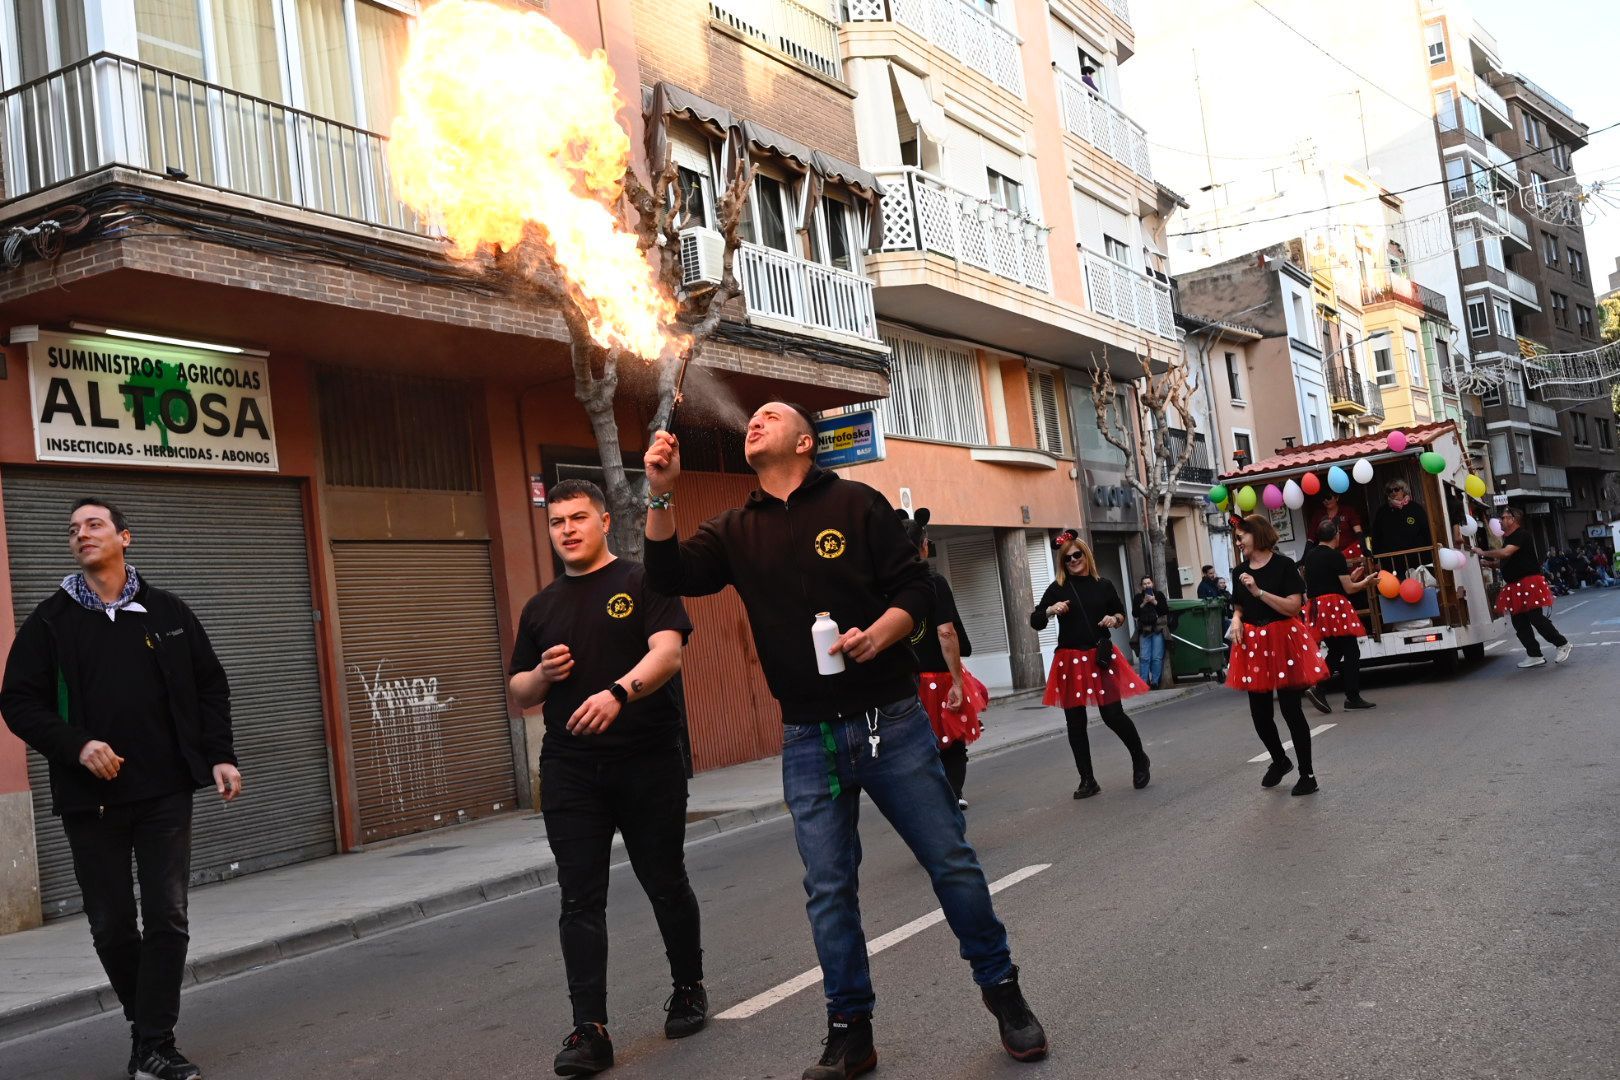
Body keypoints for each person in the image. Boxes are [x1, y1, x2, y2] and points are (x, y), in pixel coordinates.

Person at [643, 403, 1047, 1077]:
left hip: (888, 721)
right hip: (807, 737)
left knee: (949, 860)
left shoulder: (858, 503)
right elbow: (667, 577)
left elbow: (916, 587)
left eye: (771, 415)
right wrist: (661, 491)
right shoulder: (735, 527)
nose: (756, 421)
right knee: (828, 889)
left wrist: (881, 633)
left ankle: (1004, 993)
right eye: (754, 417)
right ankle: (850, 1030)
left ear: (805, 441)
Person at [0, 498, 241, 1080]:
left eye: (94, 524)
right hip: (93, 800)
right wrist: (76, 744)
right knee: (110, 923)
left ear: (124, 537)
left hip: (165, 791)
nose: (82, 534)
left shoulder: (167, 611)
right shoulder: (51, 622)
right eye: (73, 529)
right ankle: (149, 1033)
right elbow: (17, 701)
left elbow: (210, 686)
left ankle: (154, 1043)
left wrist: (220, 755)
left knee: (167, 916)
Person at [507, 479, 704, 1076]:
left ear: (602, 522)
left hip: (647, 758)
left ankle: (688, 986)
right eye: (557, 521)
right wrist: (541, 673)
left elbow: (668, 654)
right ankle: (589, 1030)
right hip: (571, 769)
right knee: (579, 898)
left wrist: (619, 693)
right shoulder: (541, 607)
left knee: (663, 879)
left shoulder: (643, 581)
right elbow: (518, 692)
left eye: (577, 518)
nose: (566, 529)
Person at [1030, 532, 1151, 799]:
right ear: (1063, 561)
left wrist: (1113, 619)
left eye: (1077, 555)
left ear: (1086, 555)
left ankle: (1139, 758)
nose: (1073, 560)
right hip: (1069, 660)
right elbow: (1035, 620)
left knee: (1113, 715)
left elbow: (1121, 613)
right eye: (1068, 557)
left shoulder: (1103, 585)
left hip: (1099, 657)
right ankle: (1087, 780)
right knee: (1075, 722)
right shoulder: (1058, 588)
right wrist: (1050, 610)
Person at [1226, 513, 1328, 796]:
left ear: (1256, 535)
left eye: (1240, 537)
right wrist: (1236, 620)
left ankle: (1308, 775)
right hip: (1253, 644)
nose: (1238, 543)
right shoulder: (1239, 571)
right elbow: (1238, 606)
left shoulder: (1283, 565)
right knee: (1259, 713)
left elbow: (1293, 608)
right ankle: (1280, 760)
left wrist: (1259, 592)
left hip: (1283, 639)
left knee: (1290, 709)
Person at [898, 509, 987, 811]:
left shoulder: (885, 586)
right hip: (936, 676)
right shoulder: (934, 582)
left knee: (914, 745)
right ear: (922, 546)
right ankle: (952, 793)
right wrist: (959, 682)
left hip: (901, 680)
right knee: (951, 739)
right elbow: (946, 633)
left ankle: (926, 799)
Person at [1477, 506, 1571, 669]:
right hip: (1515, 586)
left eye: (1504, 517)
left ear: (1513, 519)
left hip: (1528, 582)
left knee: (1535, 618)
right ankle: (1534, 654)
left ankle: (1562, 643)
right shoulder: (1509, 538)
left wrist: (1483, 552)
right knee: (1519, 622)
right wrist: (1490, 564)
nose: (1500, 520)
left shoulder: (1521, 535)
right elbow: (1506, 561)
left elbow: (1506, 553)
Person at [1301, 518, 1377, 711]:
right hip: (1334, 607)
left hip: (1317, 607)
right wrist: (1366, 581)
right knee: (1351, 650)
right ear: (1336, 535)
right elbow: (1349, 589)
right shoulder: (1336, 557)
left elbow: (1327, 582)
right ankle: (1351, 697)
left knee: (1336, 650)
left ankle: (1319, 687)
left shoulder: (1310, 556)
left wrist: (1351, 578)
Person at [1369, 478, 1432, 575]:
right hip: (1392, 562)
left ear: (1404, 490)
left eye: (1396, 489)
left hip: (1417, 559)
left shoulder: (1415, 508)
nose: (1393, 492)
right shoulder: (1382, 511)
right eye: (1390, 491)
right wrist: (1376, 560)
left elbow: (1426, 532)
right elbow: (1376, 537)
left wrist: (1431, 554)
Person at [1131, 577, 1170, 689]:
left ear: (1152, 584)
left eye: (1148, 583)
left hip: (1157, 629)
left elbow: (1164, 611)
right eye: (1144, 584)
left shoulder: (1159, 595)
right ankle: (1143, 682)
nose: (1147, 585)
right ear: (1141, 586)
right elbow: (1135, 613)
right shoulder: (1138, 597)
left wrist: (1154, 601)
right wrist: (1143, 603)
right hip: (1144, 630)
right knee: (1144, 657)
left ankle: (1155, 682)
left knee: (1156, 657)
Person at [1308, 492, 1365, 559]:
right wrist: (1305, 557)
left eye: (1328, 497)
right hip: (1328, 555)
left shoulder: (1348, 511)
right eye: (1323, 498)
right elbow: (1311, 538)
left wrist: (1364, 548)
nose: (1326, 500)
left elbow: (1358, 532)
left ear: (1337, 497)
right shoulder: (1318, 514)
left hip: (1350, 553)